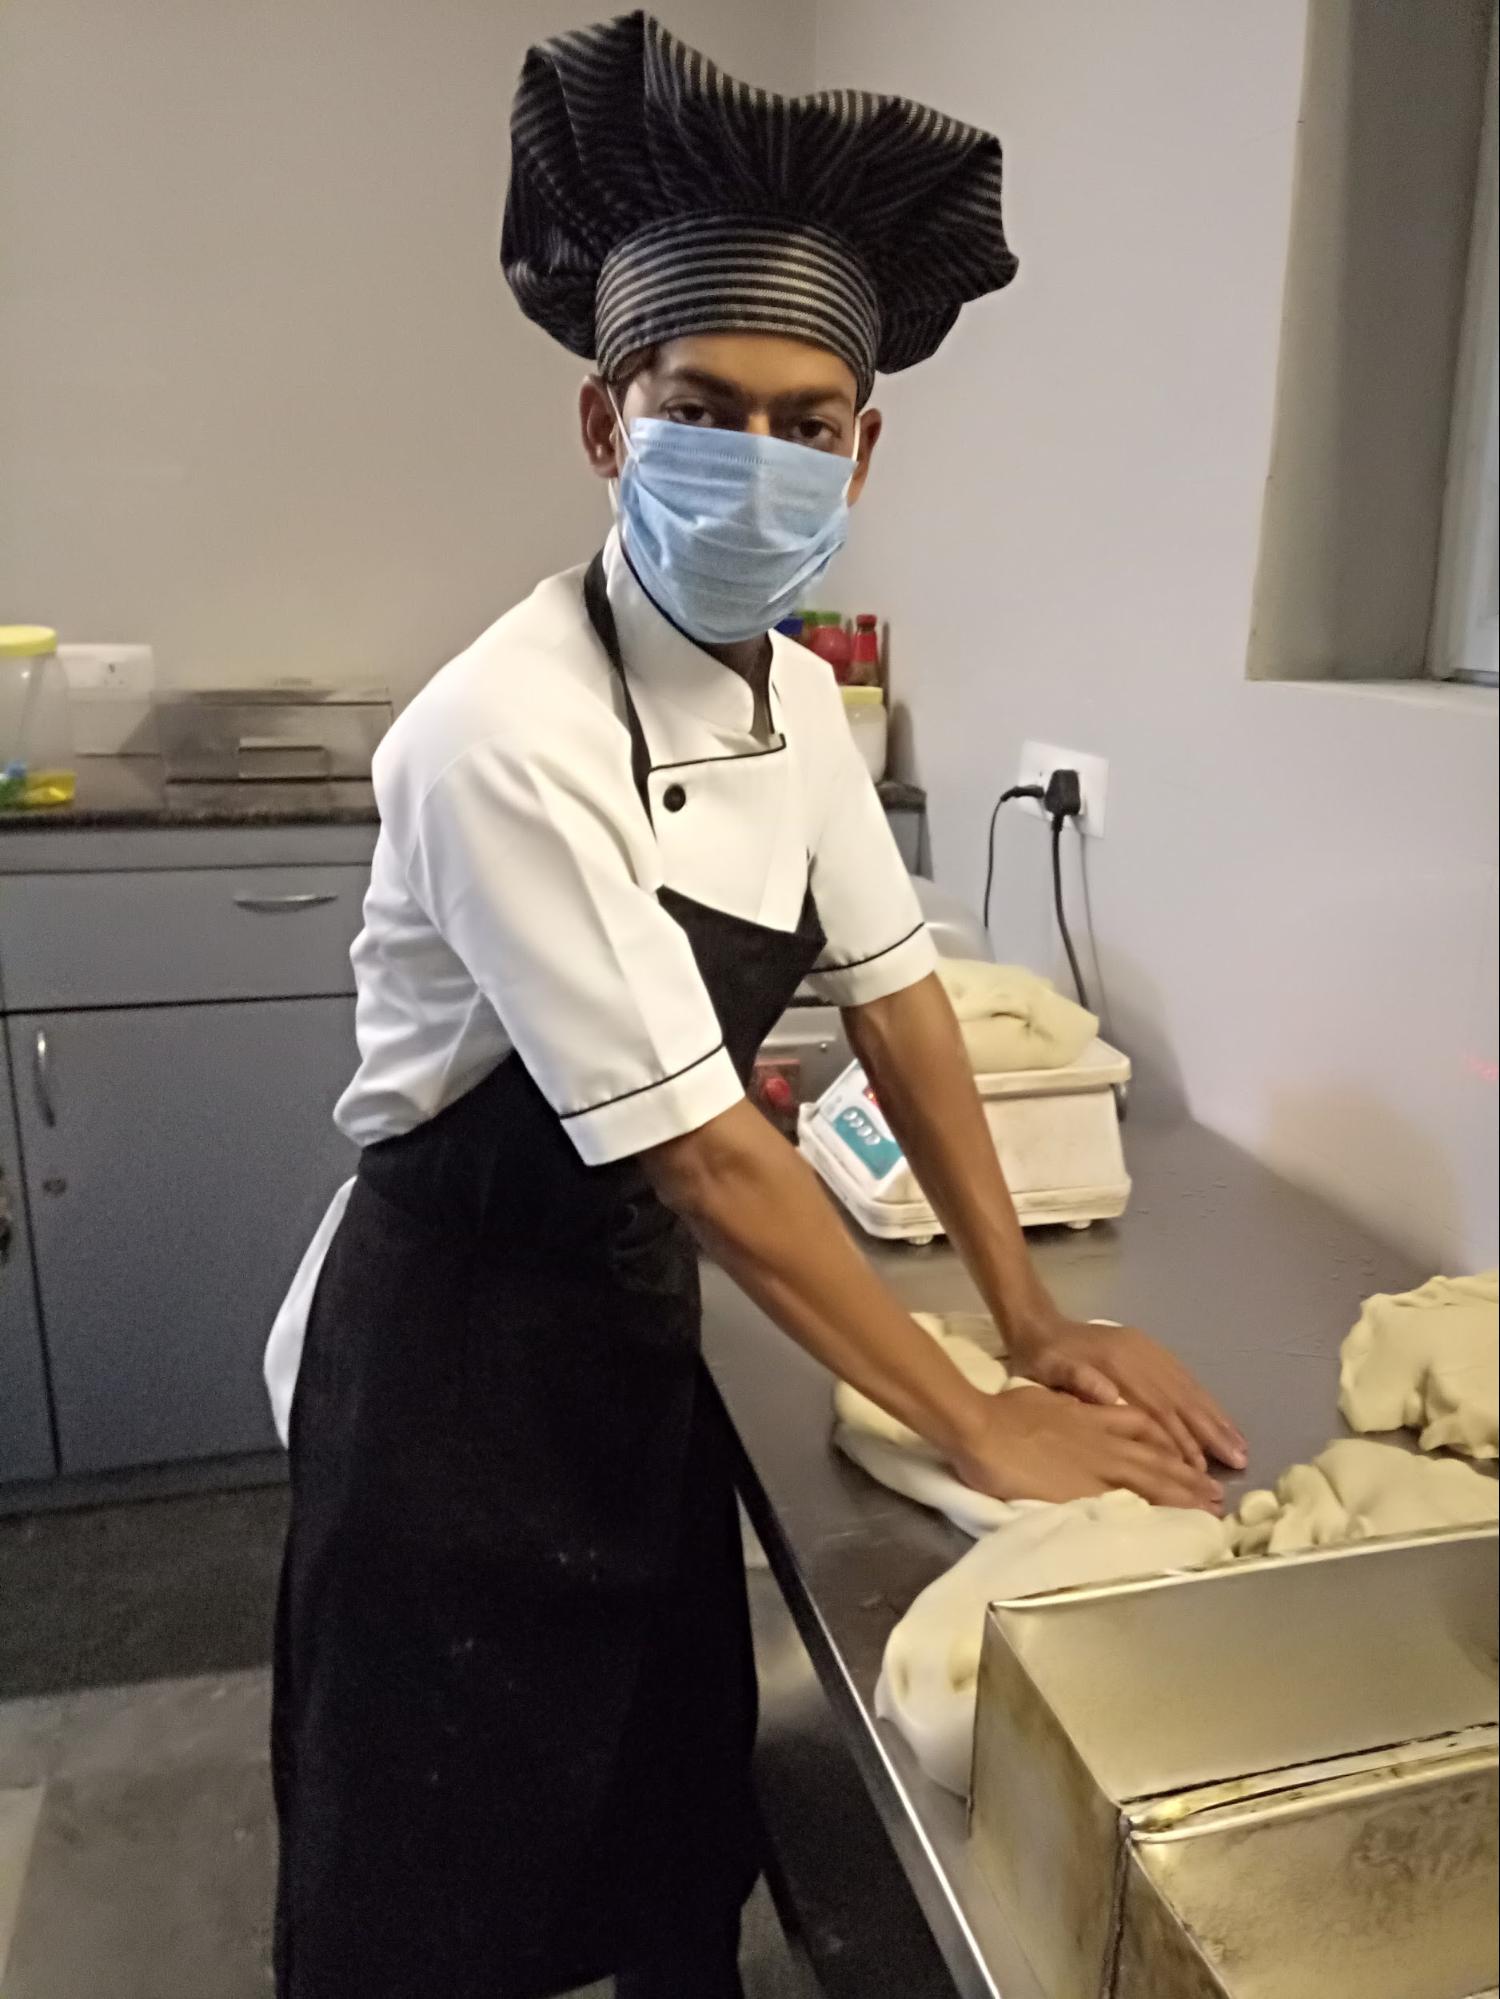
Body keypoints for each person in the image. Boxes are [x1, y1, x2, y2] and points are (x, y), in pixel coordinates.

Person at [266, 14, 1246, 1996]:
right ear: (606, 421)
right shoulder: (501, 732)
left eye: (812, 417)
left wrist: (1039, 1311)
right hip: (452, 1355)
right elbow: (714, 1153)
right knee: (441, 1864)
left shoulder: (799, 695)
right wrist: (968, 1408)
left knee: (652, 1803)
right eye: (706, 401)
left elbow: (898, 1003)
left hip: (628, 1326)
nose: (763, 455)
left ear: (866, 445)